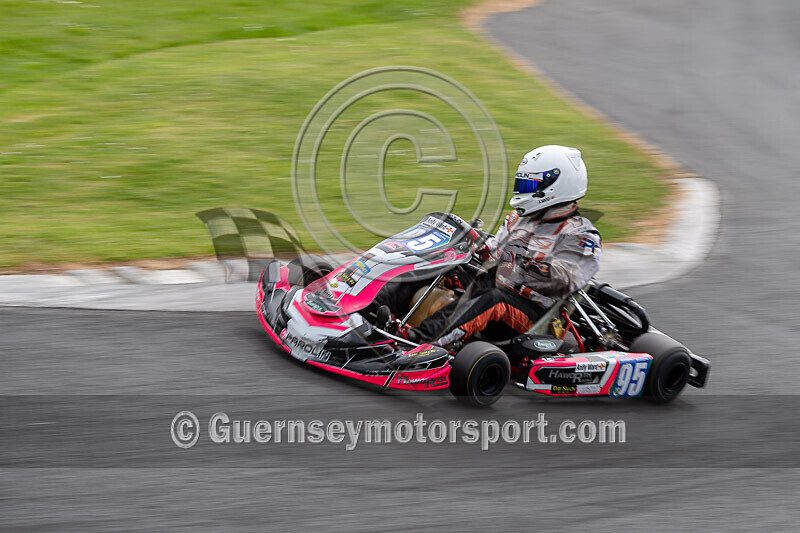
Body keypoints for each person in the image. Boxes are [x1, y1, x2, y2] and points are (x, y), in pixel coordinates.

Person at [378, 145, 602, 347]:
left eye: (530, 184)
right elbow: (492, 255)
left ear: (555, 187)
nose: (522, 189)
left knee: (493, 300)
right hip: (493, 284)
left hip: (530, 311)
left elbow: (564, 279)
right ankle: (366, 311)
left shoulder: (581, 234)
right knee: (432, 266)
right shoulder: (519, 218)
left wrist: (514, 263)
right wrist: (473, 247)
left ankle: (415, 340)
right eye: (522, 183)